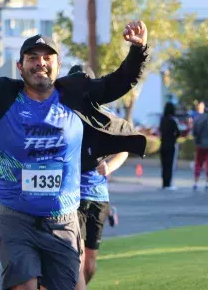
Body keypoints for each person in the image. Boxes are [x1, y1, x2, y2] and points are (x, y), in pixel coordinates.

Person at [0, 20, 149, 290]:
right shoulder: (2, 96)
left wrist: (139, 49)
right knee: (26, 286)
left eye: (47, 58)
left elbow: (122, 81)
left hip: (63, 217)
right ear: (20, 67)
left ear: (58, 66)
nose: (40, 63)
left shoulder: (77, 94)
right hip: (16, 217)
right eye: (32, 58)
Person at [68, 65, 128, 287]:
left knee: (90, 264)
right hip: (71, 197)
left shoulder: (106, 118)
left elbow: (123, 149)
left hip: (98, 196)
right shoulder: (65, 114)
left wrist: (110, 167)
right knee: (78, 257)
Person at [159, 102, 180, 190]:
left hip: (163, 145)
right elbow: (178, 132)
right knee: (170, 165)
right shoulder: (173, 120)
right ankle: (169, 184)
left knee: (164, 165)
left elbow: (160, 131)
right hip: (171, 145)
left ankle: (164, 183)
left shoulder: (162, 120)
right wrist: (174, 138)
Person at [193, 101, 208, 191]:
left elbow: (195, 131)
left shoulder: (199, 118)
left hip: (200, 144)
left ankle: (196, 182)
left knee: (198, 163)